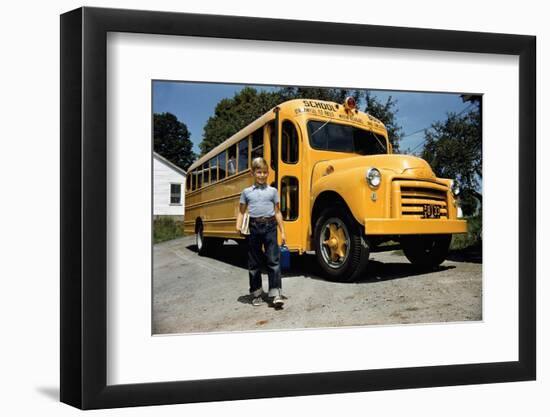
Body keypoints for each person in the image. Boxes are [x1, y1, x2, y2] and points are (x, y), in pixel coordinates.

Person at [236, 157, 286, 308]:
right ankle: (256, 293)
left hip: (270, 226)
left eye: (265, 172)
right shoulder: (246, 192)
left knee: (273, 260)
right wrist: (238, 227)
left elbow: (277, 212)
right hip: (253, 228)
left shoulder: (273, 191)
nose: (262, 175)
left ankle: (275, 293)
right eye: (259, 172)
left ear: (268, 173)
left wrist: (282, 231)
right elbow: (241, 211)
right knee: (254, 262)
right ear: (253, 173)